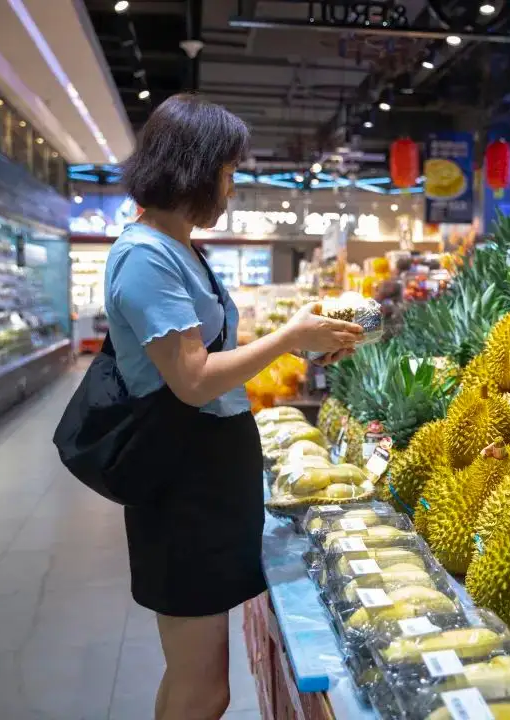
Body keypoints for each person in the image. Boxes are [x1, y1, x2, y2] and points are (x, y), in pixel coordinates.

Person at [106, 93, 363, 720]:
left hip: (207, 477)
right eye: (228, 170)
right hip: (181, 485)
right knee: (203, 688)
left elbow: (207, 358)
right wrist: (288, 339)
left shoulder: (180, 247)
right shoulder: (145, 256)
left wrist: (301, 348)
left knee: (194, 680)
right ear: (194, 169)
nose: (233, 185)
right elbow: (192, 380)